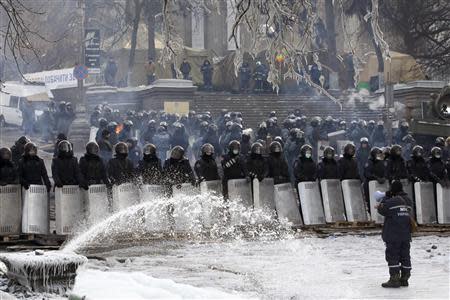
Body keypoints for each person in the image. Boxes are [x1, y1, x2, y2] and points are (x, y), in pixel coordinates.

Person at [376, 180, 413, 288]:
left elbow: (382, 210)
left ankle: (394, 279)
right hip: (406, 234)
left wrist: (386, 197)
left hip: (393, 234)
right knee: (405, 256)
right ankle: (405, 278)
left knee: (393, 256)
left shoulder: (393, 201)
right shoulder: (408, 201)